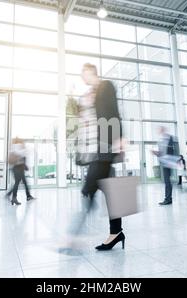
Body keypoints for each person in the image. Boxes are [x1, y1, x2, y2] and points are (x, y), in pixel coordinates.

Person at [78, 63, 125, 251]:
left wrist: (120, 137)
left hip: (105, 147)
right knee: (111, 193)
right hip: (95, 149)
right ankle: (116, 233)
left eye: (84, 74)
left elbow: (114, 113)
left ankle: (73, 237)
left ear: (91, 72)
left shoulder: (106, 86)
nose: (83, 79)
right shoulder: (90, 94)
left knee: (88, 190)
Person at [7, 137, 35, 205]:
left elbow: (21, 156)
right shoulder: (18, 146)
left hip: (17, 167)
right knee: (17, 183)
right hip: (17, 168)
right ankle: (14, 198)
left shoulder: (13, 147)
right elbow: (22, 155)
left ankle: (28, 196)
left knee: (23, 182)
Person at [152, 126, 176, 205]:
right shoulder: (162, 140)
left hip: (168, 162)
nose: (158, 131)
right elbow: (162, 153)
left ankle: (168, 199)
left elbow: (170, 151)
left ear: (163, 130)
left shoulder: (169, 138)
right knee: (167, 181)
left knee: (167, 181)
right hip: (164, 162)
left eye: (159, 129)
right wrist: (156, 153)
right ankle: (168, 198)